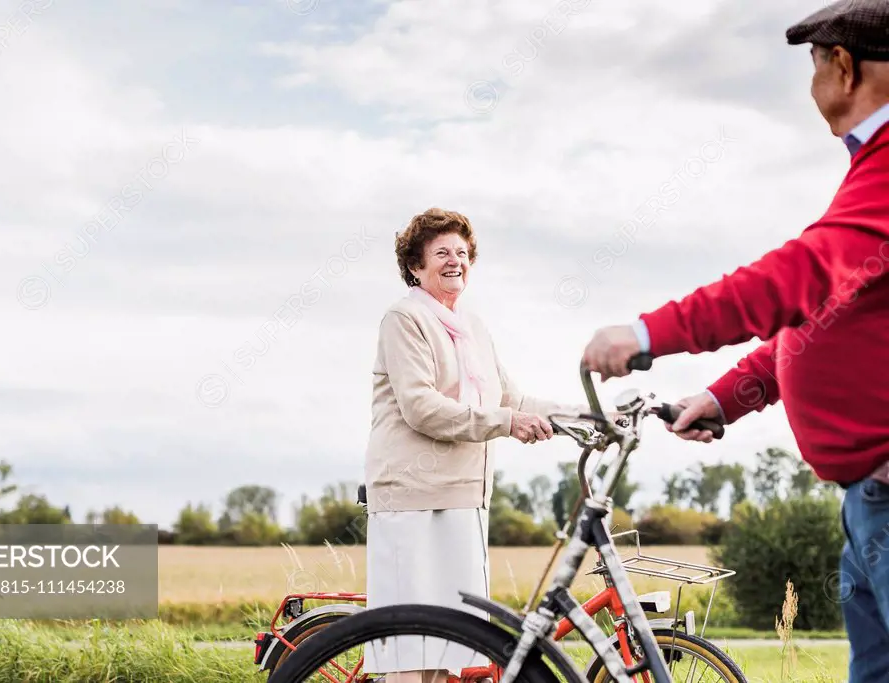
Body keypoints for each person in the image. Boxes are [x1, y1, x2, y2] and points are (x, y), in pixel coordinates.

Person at [581, 1, 889, 681]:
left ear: (841, 66)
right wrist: (726, 397)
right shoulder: (868, 170)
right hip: (867, 501)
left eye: (812, 65)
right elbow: (825, 319)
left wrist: (646, 333)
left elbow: (801, 277)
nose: (811, 86)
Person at [363, 207, 569, 683]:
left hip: (465, 501)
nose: (455, 260)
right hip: (410, 499)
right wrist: (506, 422)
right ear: (416, 266)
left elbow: (512, 399)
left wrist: (586, 415)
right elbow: (422, 407)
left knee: (450, 654)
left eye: (462, 252)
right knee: (408, 657)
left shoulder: (473, 326)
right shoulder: (404, 318)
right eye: (441, 253)